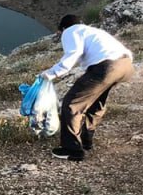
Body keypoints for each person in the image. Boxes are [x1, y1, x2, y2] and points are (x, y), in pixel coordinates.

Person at [40, 15, 134, 161]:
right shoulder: (92, 31)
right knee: (97, 102)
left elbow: (73, 53)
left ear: (63, 28)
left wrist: (50, 74)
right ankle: (86, 140)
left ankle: (72, 150)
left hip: (107, 67)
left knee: (72, 104)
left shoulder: (70, 31)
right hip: (126, 65)